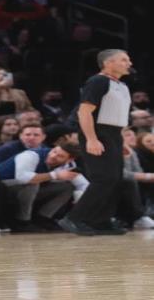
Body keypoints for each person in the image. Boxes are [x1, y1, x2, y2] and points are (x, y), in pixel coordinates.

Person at [59, 49, 133, 235]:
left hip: (114, 134)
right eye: (124, 60)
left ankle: (100, 220)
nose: (129, 63)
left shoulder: (122, 85)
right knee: (104, 178)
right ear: (108, 63)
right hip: (98, 132)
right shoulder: (97, 81)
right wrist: (92, 139)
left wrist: (122, 141)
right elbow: (84, 112)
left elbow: (117, 116)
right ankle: (74, 218)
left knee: (115, 179)